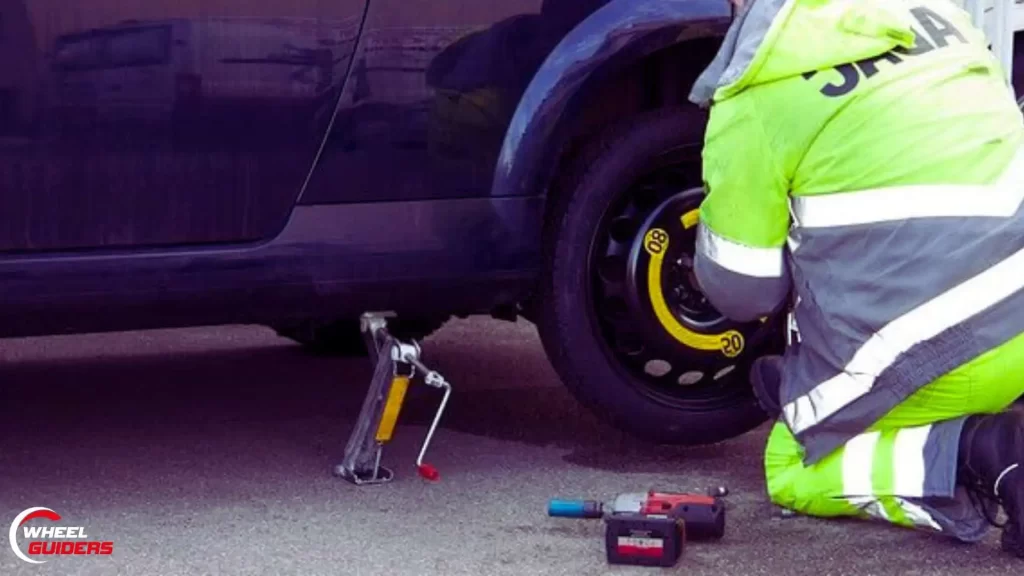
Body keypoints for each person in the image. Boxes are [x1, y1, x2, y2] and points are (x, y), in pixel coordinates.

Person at [688, 0, 1024, 558]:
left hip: (957, 346)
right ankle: (832, 388)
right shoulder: (937, 14)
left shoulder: (756, 97)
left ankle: (982, 451)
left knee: (792, 462)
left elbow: (744, 290)